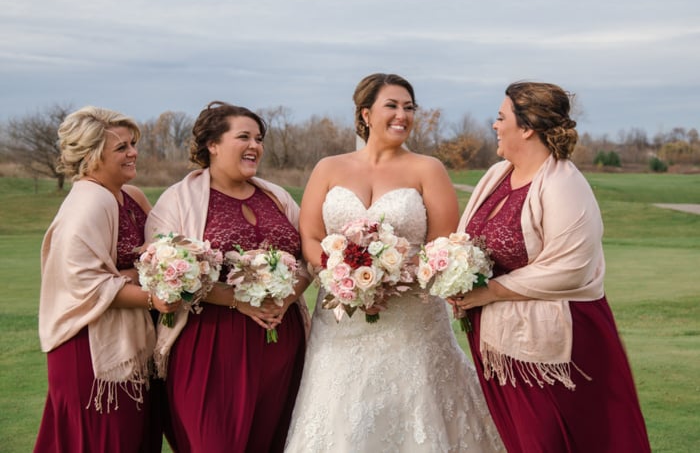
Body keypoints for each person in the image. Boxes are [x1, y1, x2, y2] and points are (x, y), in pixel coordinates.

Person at [285, 73, 504, 452]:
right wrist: (342, 272)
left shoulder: (427, 169)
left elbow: (442, 248)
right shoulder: (328, 168)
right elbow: (310, 237)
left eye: (409, 107)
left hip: (412, 320)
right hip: (340, 321)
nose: (402, 115)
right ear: (366, 113)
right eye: (392, 106)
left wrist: (390, 274)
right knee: (338, 411)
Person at [451, 81, 652, 452]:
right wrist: (454, 277)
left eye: (501, 117)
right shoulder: (495, 176)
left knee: (552, 441)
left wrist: (489, 291)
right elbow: (466, 243)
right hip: (496, 341)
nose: (495, 125)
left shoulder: (563, 184)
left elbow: (571, 267)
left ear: (526, 128)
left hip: (557, 347)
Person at [145, 101, 311, 452]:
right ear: (213, 145)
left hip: (280, 340)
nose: (255, 146)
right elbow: (161, 273)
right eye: (244, 137)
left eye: (259, 138)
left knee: (273, 440)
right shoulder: (177, 200)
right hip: (210, 342)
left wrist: (288, 297)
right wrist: (238, 300)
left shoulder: (277, 197)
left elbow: (309, 260)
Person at [35, 106, 174, 452]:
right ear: (92, 156)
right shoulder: (88, 204)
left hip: (130, 345)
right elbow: (84, 282)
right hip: (91, 350)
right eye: (122, 148)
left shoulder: (131, 196)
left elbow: (156, 254)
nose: (133, 153)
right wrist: (152, 295)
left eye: (132, 144)